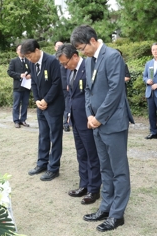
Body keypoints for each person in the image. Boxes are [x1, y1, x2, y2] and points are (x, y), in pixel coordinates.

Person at [71, 25, 134, 232]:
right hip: (96, 123)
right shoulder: (89, 61)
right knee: (105, 168)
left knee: (119, 170)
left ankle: (117, 215)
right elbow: (87, 89)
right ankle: (105, 207)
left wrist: (99, 117)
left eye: (82, 48)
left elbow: (116, 90)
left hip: (113, 123)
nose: (81, 53)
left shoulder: (113, 56)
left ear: (92, 41)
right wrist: (90, 114)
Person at [56, 44, 101, 205]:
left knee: (91, 154)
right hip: (75, 118)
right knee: (81, 153)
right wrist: (68, 113)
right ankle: (84, 184)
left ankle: (94, 188)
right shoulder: (70, 71)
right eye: (62, 64)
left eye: (65, 62)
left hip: (87, 119)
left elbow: (92, 94)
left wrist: (92, 116)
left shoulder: (88, 67)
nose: (65, 66)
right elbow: (69, 94)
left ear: (75, 56)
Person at [21, 39, 65, 181]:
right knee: (43, 135)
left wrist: (46, 100)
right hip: (41, 106)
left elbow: (57, 83)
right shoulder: (32, 64)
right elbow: (33, 82)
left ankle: (53, 168)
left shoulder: (52, 61)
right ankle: (42, 163)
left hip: (54, 105)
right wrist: (38, 100)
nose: (29, 59)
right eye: (26, 57)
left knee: (55, 136)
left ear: (37, 50)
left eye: (29, 56)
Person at [7, 44, 31, 128]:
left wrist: (30, 75)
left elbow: (32, 71)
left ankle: (23, 120)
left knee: (25, 104)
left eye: (23, 49)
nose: (21, 51)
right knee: (16, 104)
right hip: (17, 86)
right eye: (20, 49)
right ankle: (16, 120)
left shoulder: (28, 61)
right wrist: (19, 75)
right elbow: (9, 72)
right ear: (17, 51)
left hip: (26, 86)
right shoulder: (14, 61)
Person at [55, 41, 70, 132]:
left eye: (61, 46)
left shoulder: (66, 57)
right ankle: (59, 123)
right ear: (55, 48)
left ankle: (66, 124)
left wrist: (69, 82)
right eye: (58, 46)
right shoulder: (52, 59)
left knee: (67, 105)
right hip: (56, 86)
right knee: (58, 106)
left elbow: (69, 71)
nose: (59, 47)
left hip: (65, 85)